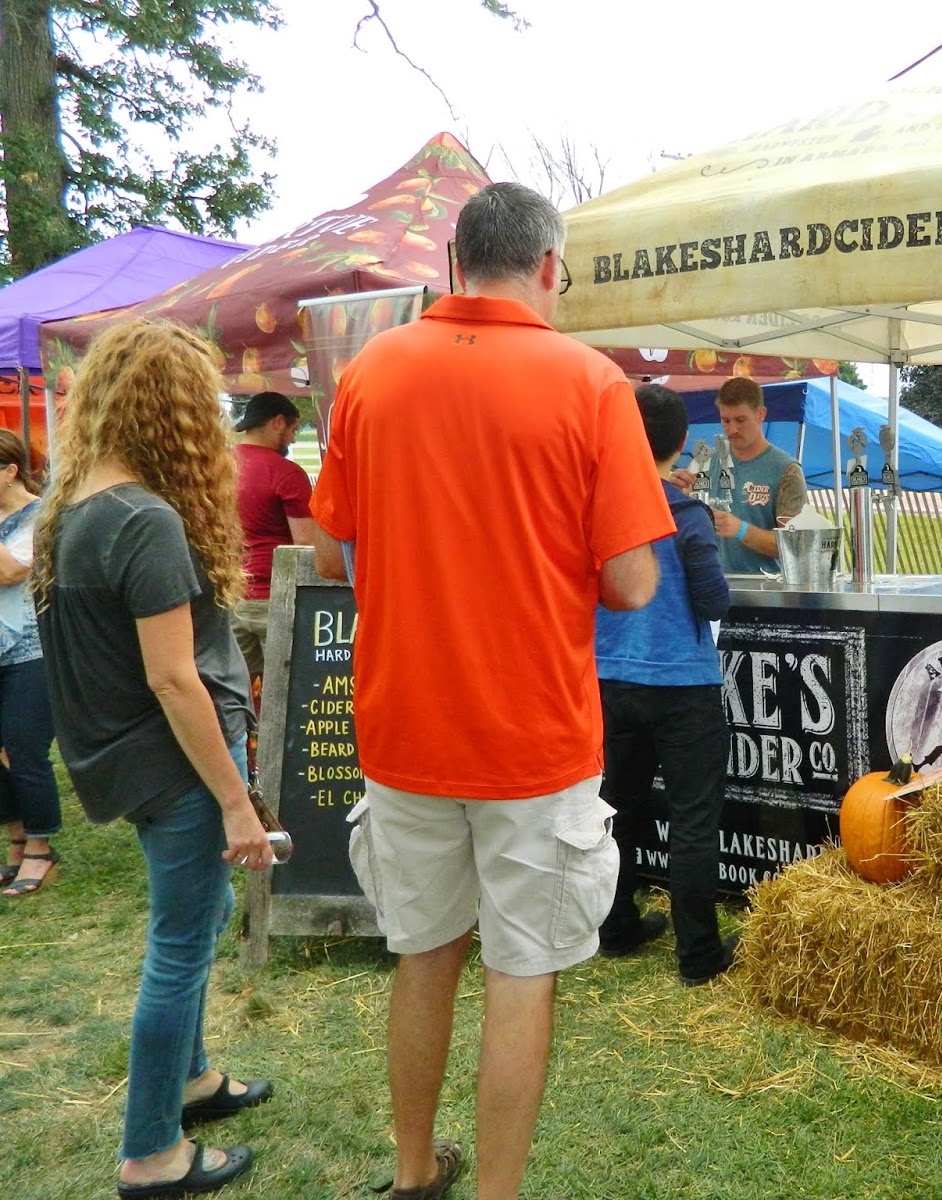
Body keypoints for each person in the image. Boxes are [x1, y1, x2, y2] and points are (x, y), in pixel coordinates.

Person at [309, 181, 673, 1200]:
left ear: (458, 265)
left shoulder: (373, 372)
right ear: (550, 268)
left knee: (423, 956)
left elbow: (337, 550)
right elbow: (635, 582)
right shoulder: (589, 383)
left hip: (403, 726)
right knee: (522, 970)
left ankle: (414, 1173)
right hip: (531, 736)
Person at [30, 320, 273, 1198]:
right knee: (180, 945)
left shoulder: (71, 513)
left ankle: (194, 1079)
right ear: (170, 413)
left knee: (197, 923)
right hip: (176, 768)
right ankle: (150, 1153)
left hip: (127, 766)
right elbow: (175, 683)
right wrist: (238, 803)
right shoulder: (145, 520)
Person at [595, 384, 737, 987]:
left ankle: (616, 925)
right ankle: (698, 954)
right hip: (683, 682)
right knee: (693, 818)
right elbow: (712, 598)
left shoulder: (596, 505)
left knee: (615, 810)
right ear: (683, 443)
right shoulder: (688, 515)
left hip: (609, 676)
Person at [0, 430, 62, 897]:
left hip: (30, 652)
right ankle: (16, 840)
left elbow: (12, 570)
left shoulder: (42, 516)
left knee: (25, 749)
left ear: (10, 470)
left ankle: (41, 849)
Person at [230, 391, 315, 686]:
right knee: (283, 689)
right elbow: (305, 542)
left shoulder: (215, 466)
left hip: (228, 596)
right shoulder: (287, 473)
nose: (292, 440)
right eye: (292, 430)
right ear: (278, 422)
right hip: (273, 599)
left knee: (239, 690)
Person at [708, 376, 806, 574]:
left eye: (740, 420)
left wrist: (741, 530)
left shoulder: (787, 470)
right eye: (725, 420)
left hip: (767, 593)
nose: (732, 429)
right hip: (716, 588)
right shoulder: (709, 461)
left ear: (761, 414)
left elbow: (793, 545)